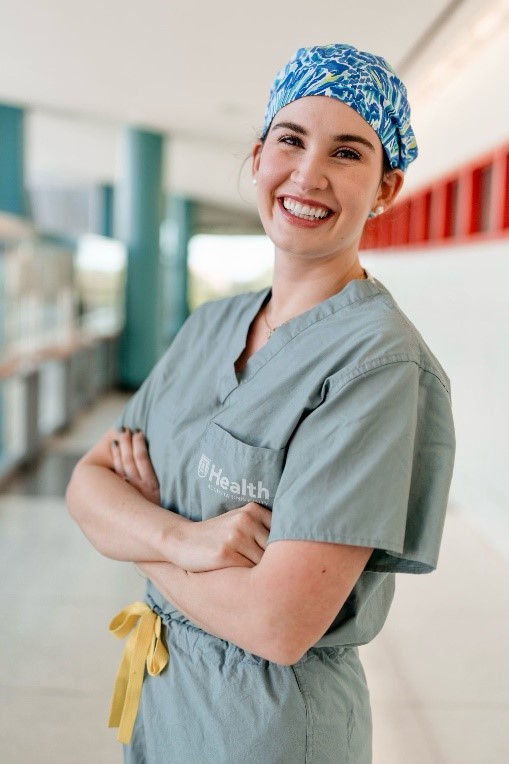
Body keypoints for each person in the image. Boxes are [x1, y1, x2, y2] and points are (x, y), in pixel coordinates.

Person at [66, 43, 455, 764]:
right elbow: (86, 486)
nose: (307, 174)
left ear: (385, 188)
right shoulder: (213, 323)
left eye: (346, 153)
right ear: (257, 157)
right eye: (290, 139)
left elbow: (277, 624)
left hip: (266, 728)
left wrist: (140, 536)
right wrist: (186, 540)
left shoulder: (376, 363)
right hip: (165, 696)